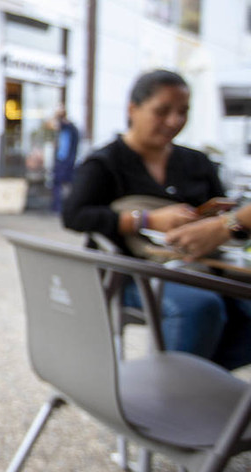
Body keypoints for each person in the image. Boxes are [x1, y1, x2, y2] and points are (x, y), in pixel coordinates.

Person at [62, 69, 251, 369]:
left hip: (199, 267)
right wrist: (146, 220)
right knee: (200, 306)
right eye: (162, 111)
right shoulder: (106, 162)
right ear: (133, 109)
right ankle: (176, 394)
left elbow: (227, 220)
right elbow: (74, 215)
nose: (174, 121)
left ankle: (204, 382)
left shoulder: (196, 162)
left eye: (183, 112)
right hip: (129, 273)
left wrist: (215, 225)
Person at [49, 105, 78, 213]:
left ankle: (61, 208)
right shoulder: (67, 129)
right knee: (60, 185)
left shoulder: (69, 129)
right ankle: (58, 207)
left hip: (65, 162)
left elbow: (53, 124)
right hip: (63, 161)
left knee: (62, 185)